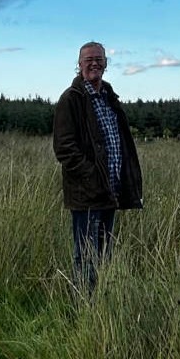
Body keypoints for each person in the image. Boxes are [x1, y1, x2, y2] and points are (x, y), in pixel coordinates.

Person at [52, 41, 143, 292]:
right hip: (87, 195)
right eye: (88, 59)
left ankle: (100, 307)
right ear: (79, 65)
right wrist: (92, 178)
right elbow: (64, 149)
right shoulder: (71, 99)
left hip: (110, 192)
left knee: (104, 254)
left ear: (106, 64)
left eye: (99, 59)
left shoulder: (108, 97)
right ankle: (82, 311)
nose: (94, 63)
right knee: (86, 256)